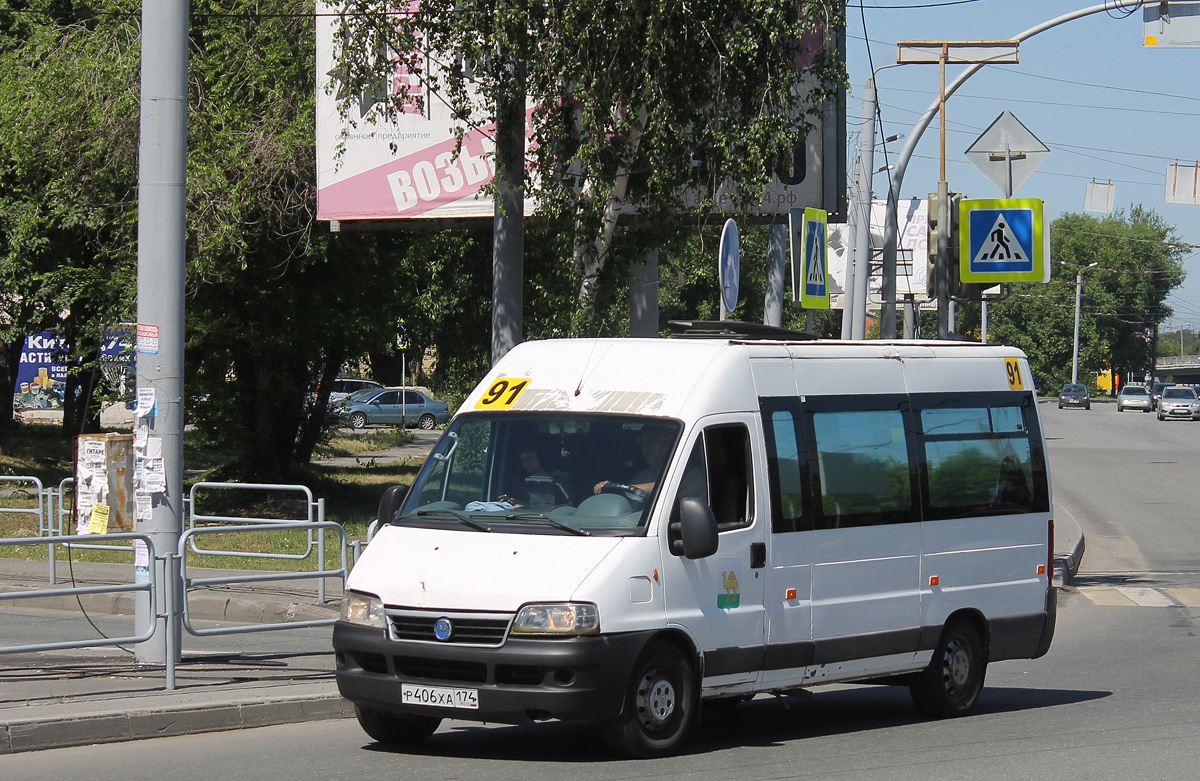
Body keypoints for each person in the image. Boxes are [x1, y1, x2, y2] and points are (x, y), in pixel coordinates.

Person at [593, 425, 671, 497]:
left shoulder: (678, 472)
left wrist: (620, 489)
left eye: (651, 441)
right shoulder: (640, 477)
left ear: (667, 443)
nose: (645, 447)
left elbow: (667, 486)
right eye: (642, 442)